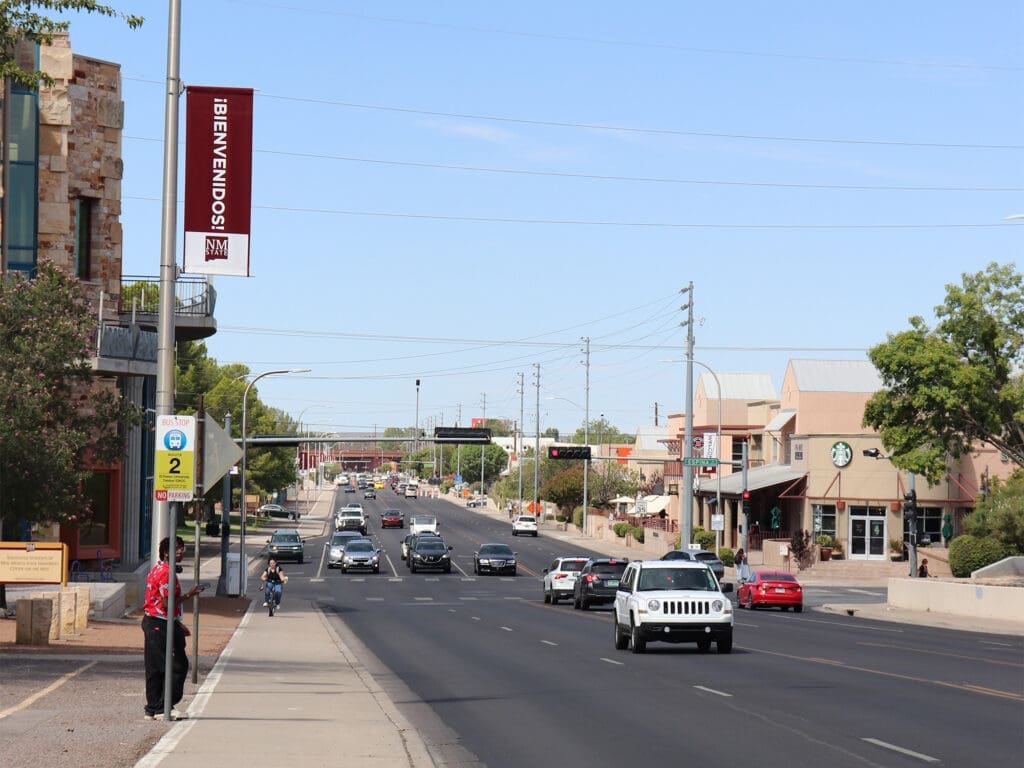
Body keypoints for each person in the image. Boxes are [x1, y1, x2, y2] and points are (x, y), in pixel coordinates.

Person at [142, 536, 200, 721]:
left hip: (156, 621)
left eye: (182, 548)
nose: (181, 552)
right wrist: (175, 619)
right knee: (175, 665)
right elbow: (167, 603)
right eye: (177, 549)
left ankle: (153, 707)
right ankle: (164, 706)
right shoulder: (166, 572)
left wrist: (188, 597)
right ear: (166, 552)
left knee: (155, 666)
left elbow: (164, 602)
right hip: (160, 623)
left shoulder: (159, 568)